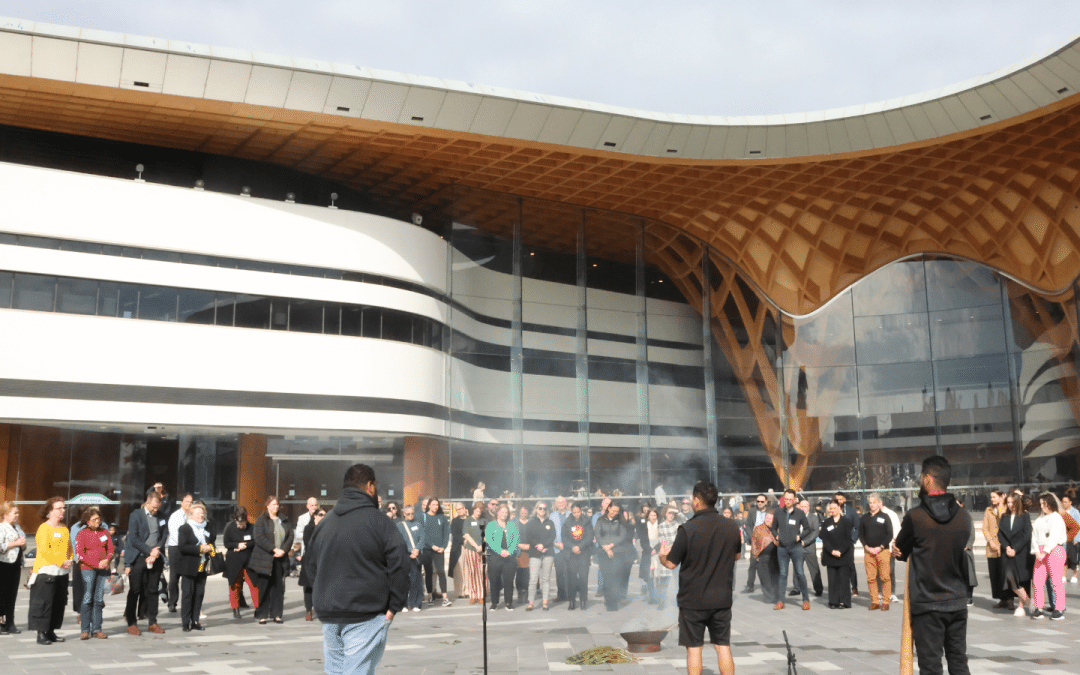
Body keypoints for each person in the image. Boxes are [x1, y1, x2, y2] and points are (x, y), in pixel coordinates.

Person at [304, 463, 409, 675]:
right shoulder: (380, 522)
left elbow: (310, 567)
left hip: (330, 614)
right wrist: (393, 608)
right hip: (366, 613)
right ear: (370, 486)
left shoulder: (325, 523)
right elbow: (400, 565)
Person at [892, 455, 973, 675]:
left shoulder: (915, 517)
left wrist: (895, 549)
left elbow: (900, 550)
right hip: (957, 600)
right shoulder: (964, 517)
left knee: (930, 666)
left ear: (927, 479)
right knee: (958, 661)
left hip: (927, 604)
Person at [658, 481, 741, 675]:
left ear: (696, 500)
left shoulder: (688, 529)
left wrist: (662, 555)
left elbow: (671, 564)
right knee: (723, 646)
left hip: (693, 600)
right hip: (721, 598)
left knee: (694, 648)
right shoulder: (731, 526)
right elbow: (736, 555)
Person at [28, 496, 73, 645]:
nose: (62, 511)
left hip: (62, 572)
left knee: (58, 603)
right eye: (59, 508)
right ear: (50, 511)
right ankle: (41, 633)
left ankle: (51, 631)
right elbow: (44, 550)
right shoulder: (44, 528)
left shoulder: (64, 528)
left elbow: (69, 548)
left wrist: (69, 560)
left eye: (64, 508)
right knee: (44, 603)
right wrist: (60, 561)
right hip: (46, 571)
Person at [123, 489, 167, 636]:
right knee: (135, 590)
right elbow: (133, 539)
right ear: (147, 503)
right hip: (139, 557)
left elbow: (164, 534)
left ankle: (152, 622)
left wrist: (156, 551)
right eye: (153, 507)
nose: (155, 510)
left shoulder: (161, 516)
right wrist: (149, 551)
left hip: (155, 557)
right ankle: (131, 622)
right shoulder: (136, 515)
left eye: (157, 507)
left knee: (153, 590)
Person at [251, 496, 293, 624]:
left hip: (280, 559)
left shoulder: (284, 520)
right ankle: (262, 614)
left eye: (277, 504)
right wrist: (274, 549)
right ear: (267, 505)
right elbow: (259, 538)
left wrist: (283, 550)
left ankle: (277, 614)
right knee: (264, 587)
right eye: (273, 504)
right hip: (265, 559)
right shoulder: (261, 520)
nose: (276, 507)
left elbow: (290, 536)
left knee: (278, 587)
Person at [75, 506, 113, 640]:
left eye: (99, 518)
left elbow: (111, 549)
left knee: (98, 598)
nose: (98, 521)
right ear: (87, 521)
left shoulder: (104, 532)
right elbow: (80, 554)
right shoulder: (82, 534)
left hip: (103, 570)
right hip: (88, 569)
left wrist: (107, 559)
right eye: (94, 519)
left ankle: (97, 629)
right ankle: (85, 629)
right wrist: (96, 564)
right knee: (87, 597)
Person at [176, 503, 215, 632]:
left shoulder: (207, 527)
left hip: (202, 566)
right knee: (188, 594)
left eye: (202, 513)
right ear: (191, 515)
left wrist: (210, 548)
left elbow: (212, 541)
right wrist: (200, 548)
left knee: (199, 594)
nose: (201, 515)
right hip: (188, 566)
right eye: (197, 513)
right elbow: (182, 547)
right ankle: (186, 623)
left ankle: (195, 621)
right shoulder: (185, 528)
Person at [772, 489, 811, 611]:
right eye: (786, 499)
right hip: (782, 548)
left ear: (794, 500)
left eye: (790, 499)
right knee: (783, 575)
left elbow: (807, 529)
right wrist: (776, 536)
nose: (788, 501)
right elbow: (773, 528)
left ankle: (805, 600)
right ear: (783, 499)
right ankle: (781, 601)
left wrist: (800, 536)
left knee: (800, 573)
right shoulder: (778, 512)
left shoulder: (799, 513)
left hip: (796, 548)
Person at [1030, 492, 1067, 620]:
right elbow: (1034, 535)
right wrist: (1036, 551)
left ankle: (1059, 608)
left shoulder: (1056, 518)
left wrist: (1044, 552)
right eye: (1040, 504)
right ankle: (1038, 608)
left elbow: (1054, 537)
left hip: (1054, 550)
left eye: (1043, 504)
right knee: (1037, 581)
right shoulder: (1040, 518)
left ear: (1050, 503)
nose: (1041, 506)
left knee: (1056, 581)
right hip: (1040, 552)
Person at [998, 492, 1031, 615]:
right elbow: (1000, 533)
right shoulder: (1004, 516)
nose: (1010, 505)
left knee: (1022, 580)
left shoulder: (1024, 516)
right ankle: (1029, 602)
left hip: (1021, 552)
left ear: (1017, 502)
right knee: (1010, 578)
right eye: (1008, 502)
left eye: (1012, 502)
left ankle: (1021, 606)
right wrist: (1007, 547)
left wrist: (1015, 549)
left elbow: (1027, 534)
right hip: (1007, 552)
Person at [223, 505, 259, 620]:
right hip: (234, 561)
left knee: (254, 585)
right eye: (239, 524)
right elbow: (226, 543)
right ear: (235, 520)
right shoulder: (230, 528)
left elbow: (256, 541)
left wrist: (246, 545)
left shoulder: (252, 527)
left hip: (249, 561)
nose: (240, 526)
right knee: (235, 585)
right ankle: (235, 609)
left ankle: (258, 608)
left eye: (242, 524)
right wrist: (237, 545)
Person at [594, 502, 632, 611]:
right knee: (607, 578)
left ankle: (614, 602)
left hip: (617, 552)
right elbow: (598, 535)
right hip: (603, 553)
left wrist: (611, 545)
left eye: (617, 511)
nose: (615, 513)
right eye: (613, 510)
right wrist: (605, 548)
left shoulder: (620, 520)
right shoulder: (600, 520)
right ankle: (608, 601)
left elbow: (622, 535)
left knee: (615, 578)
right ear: (608, 508)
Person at [859, 492, 893, 611]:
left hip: (882, 551)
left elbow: (890, 534)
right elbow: (861, 535)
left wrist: (881, 547)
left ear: (879, 503)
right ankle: (874, 601)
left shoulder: (885, 517)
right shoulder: (864, 518)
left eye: (874, 502)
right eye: (870, 503)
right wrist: (866, 547)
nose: (872, 505)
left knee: (885, 577)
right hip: (869, 552)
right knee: (871, 578)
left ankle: (885, 601)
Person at [484, 503, 519, 610]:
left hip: (509, 557)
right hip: (494, 557)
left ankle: (508, 602)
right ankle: (494, 602)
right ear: (497, 513)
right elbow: (489, 540)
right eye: (502, 512)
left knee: (509, 581)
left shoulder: (512, 525)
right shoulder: (491, 525)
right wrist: (500, 551)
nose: (504, 514)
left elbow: (516, 540)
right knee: (494, 580)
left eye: (506, 512)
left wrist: (509, 551)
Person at [0, 501, 27, 635]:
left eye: (17, 512)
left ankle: (10, 623)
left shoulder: (17, 527)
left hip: (16, 564)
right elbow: (1, 546)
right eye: (14, 512)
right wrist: (16, 543)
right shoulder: (1, 527)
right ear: (5, 514)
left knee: (12, 594)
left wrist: (23, 544)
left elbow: (23, 543)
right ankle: (1, 622)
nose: (17, 515)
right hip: (4, 564)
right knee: (2, 594)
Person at [820, 501, 852, 609]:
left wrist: (841, 551)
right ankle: (833, 601)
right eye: (831, 508)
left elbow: (848, 539)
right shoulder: (827, 522)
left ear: (839, 508)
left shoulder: (846, 522)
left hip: (843, 555)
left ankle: (844, 601)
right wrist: (832, 551)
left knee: (843, 580)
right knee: (832, 579)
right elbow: (824, 538)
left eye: (834, 508)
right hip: (830, 556)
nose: (832, 510)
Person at [561, 502, 593, 610]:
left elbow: (589, 537)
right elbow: (564, 538)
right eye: (574, 512)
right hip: (571, 554)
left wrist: (579, 546)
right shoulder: (567, 522)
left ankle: (583, 600)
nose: (576, 514)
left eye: (578, 512)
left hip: (584, 553)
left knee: (583, 578)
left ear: (581, 510)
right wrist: (572, 547)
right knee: (572, 579)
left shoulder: (586, 521)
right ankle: (572, 601)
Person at [165, 493, 193, 613]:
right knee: (174, 576)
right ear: (181, 502)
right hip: (176, 548)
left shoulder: (192, 516)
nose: (189, 504)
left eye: (191, 502)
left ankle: (187, 602)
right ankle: (172, 602)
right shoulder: (175, 516)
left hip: (189, 548)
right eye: (187, 502)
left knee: (187, 575)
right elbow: (174, 534)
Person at [525, 501, 556, 611]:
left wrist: (544, 545)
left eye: (544, 508)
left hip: (548, 553)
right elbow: (528, 536)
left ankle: (545, 602)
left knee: (546, 579)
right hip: (535, 554)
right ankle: (531, 602)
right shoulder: (531, 522)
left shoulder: (550, 522)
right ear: (536, 509)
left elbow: (553, 536)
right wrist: (537, 545)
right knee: (533, 579)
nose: (542, 510)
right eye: (540, 508)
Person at [790, 498, 823, 598]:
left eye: (805, 506)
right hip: (797, 547)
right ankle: (796, 588)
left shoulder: (814, 518)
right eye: (801, 506)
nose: (803, 508)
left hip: (809, 547)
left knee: (814, 569)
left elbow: (815, 532)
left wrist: (805, 542)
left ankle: (818, 589)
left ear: (808, 507)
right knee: (796, 569)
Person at [421, 497, 450, 606]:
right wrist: (432, 546)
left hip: (440, 550)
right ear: (429, 505)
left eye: (437, 505)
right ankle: (430, 596)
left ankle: (445, 598)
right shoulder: (423, 517)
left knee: (441, 572)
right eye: (433, 505)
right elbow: (422, 534)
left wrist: (443, 546)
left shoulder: (442, 517)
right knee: (429, 572)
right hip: (428, 549)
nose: (435, 507)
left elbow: (446, 533)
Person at [396, 505, 425, 612]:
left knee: (417, 579)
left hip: (417, 555)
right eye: (408, 514)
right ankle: (404, 604)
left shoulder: (418, 524)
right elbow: (400, 541)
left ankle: (416, 604)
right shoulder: (400, 525)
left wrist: (417, 549)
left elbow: (422, 538)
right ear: (404, 514)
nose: (411, 515)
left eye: (412, 513)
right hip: (406, 555)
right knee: (405, 580)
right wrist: (410, 550)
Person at [298, 507, 325, 621]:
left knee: (322, 587)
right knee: (308, 587)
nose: (322, 517)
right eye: (320, 515)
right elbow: (308, 543)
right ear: (315, 516)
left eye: (324, 515)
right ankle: (308, 610)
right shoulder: (309, 528)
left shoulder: (327, 528)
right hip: (310, 561)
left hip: (323, 560)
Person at [982, 490, 1006, 608]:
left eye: (994, 497)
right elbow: (984, 528)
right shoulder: (988, 510)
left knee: (1006, 574)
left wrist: (1001, 506)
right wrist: (990, 541)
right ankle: (1001, 598)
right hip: (992, 548)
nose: (992, 499)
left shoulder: (1006, 509)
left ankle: (1009, 599)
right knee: (995, 574)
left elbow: (1004, 521)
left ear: (1001, 497)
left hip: (1004, 547)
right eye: (991, 497)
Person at [741, 494, 770, 593]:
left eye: (762, 501)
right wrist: (751, 536)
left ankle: (767, 585)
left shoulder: (770, 511)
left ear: (766, 502)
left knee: (767, 564)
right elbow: (748, 525)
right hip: (755, 541)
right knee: (753, 564)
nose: (760, 503)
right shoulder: (752, 511)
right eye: (758, 501)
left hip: (767, 541)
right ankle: (750, 585)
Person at [750, 510, 779, 605]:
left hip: (776, 557)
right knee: (765, 578)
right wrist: (755, 555)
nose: (768, 520)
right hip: (763, 557)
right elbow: (754, 542)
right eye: (767, 518)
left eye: (770, 518)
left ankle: (776, 596)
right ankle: (768, 597)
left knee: (775, 577)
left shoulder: (777, 528)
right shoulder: (758, 528)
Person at [835, 491, 860, 597]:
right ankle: (839, 587)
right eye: (837, 499)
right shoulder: (832, 511)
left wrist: (853, 539)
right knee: (837, 566)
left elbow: (857, 526)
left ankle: (854, 587)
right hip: (836, 544)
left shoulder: (851, 511)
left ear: (844, 500)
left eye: (841, 499)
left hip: (848, 544)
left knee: (850, 565)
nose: (839, 501)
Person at [461, 502, 486, 605]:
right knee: (472, 572)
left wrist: (482, 545)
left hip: (482, 550)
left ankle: (481, 595)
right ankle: (473, 595)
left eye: (480, 511)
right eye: (477, 511)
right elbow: (466, 535)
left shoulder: (483, 521)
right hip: (471, 549)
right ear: (473, 510)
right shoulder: (468, 520)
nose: (478, 513)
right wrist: (476, 546)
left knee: (481, 572)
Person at [549, 496, 570, 603]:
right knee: (559, 573)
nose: (561, 503)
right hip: (557, 549)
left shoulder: (571, 515)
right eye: (558, 502)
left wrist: (566, 544)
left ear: (566, 503)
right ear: (556, 504)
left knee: (570, 572)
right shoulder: (552, 516)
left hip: (569, 549)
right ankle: (561, 595)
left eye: (562, 502)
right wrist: (556, 544)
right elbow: (550, 533)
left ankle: (570, 594)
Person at [513, 506, 532, 609]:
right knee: (519, 574)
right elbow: (511, 537)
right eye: (522, 512)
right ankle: (520, 594)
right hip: (519, 551)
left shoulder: (532, 522)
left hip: (529, 551)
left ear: (528, 513)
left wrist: (530, 545)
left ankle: (528, 594)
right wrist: (520, 545)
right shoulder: (514, 522)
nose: (523, 513)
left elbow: (535, 536)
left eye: (525, 512)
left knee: (528, 574)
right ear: (519, 512)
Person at [448, 503, 467, 600]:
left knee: (467, 569)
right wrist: (463, 540)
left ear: (465, 509)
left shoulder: (470, 519)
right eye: (457, 509)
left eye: (461, 509)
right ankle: (460, 592)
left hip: (469, 547)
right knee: (458, 571)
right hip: (458, 547)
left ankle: (467, 590)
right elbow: (455, 533)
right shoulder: (454, 521)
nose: (459, 511)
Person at [1062, 495, 1080, 583]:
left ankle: (1075, 575)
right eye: (1063, 502)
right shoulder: (1061, 512)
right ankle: (1063, 575)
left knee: (1074, 559)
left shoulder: (1075, 512)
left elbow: (1078, 526)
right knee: (1064, 558)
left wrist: (1076, 539)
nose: (1064, 503)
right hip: (1064, 539)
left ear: (1070, 502)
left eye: (1065, 502)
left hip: (1073, 540)